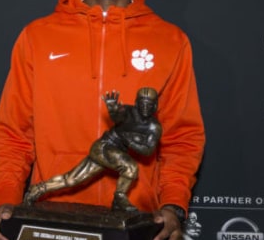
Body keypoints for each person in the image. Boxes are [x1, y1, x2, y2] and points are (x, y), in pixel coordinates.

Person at [0, 0, 206, 240]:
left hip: (132, 230)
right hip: (49, 231)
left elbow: (181, 139)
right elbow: (13, 132)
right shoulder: (38, 36)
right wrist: (5, 201)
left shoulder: (170, 41)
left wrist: (173, 206)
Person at [23, 88, 162, 212]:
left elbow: (148, 150)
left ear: (155, 105)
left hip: (113, 153)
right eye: (143, 103)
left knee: (71, 180)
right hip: (104, 147)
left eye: (149, 104)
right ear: (137, 102)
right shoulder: (128, 111)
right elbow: (118, 117)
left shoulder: (154, 127)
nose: (145, 107)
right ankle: (119, 198)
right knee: (130, 167)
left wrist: (130, 142)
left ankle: (39, 189)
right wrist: (113, 109)